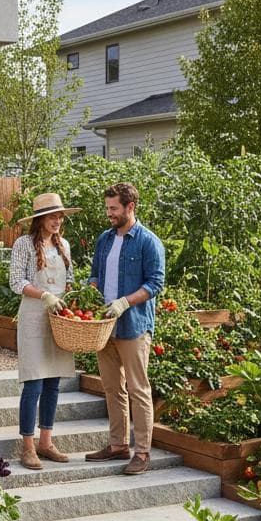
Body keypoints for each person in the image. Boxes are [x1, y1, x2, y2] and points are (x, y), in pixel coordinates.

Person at [85, 182, 165, 475]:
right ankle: (118, 444)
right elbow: (95, 274)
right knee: (111, 387)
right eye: (107, 208)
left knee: (138, 389)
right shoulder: (104, 240)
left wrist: (124, 303)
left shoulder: (147, 241)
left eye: (114, 209)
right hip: (104, 326)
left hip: (133, 325)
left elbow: (155, 283)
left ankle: (142, 452)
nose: (109, 214)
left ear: (130, 207)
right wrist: (91, 290)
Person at [9, 192, 79, 470]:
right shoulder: (23, 244)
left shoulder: (65, 245)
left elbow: (70, 279)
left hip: (59, 318)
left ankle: (46, 443)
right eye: (52, 216)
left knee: (53, 383)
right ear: (40, 219)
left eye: (60, 216)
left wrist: (74, 305)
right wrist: (44, 295)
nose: (57, 220)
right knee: (34, 382)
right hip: (34, 317)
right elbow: (16, 280)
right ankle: (27, 446)